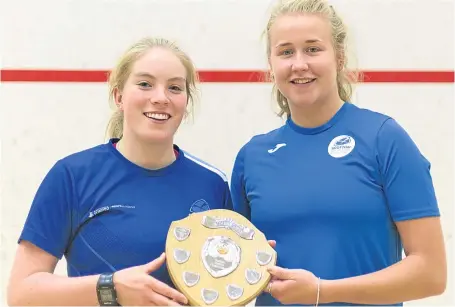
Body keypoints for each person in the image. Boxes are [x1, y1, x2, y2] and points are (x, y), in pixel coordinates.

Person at [230, 0, 447, 306]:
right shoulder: (252, 157)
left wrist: (322, 291)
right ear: (271, 63)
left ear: (340, 56)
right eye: (286, 51)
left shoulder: (384, 139)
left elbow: (431, 273)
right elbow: (232, 273)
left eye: (313, 49)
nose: (299, 64)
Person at [7, 37, 233, 306]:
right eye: (145, 84)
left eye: (174, 87)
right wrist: (110, 287)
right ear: (119, 96)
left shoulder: (213, 184)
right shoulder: (72, 176)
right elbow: (21, 292)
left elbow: (225, 287)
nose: (160, 98)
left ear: (186, 102)